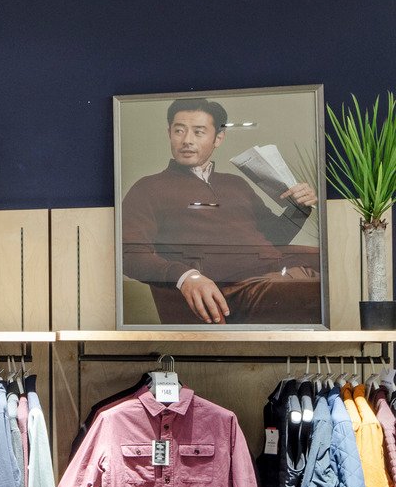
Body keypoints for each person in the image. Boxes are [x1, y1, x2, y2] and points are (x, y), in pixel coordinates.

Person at [120, 97, 320, 325]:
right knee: (319, 290)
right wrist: (185, 276)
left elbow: (273, 238)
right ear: (169, 133)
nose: (187, 140)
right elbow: (129, 254)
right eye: (179, 131)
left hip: (276, 274)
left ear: (218, 138)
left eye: (198, 132)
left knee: (335, 273)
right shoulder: (149, 188)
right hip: (228, 292)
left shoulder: (235, 184)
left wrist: (300, 207)